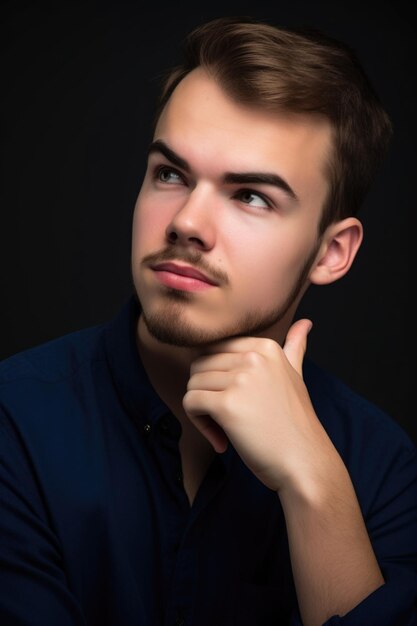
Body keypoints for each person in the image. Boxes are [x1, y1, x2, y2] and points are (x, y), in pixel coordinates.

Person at [0, 15, 416, 626]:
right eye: (170, 174)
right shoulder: (14, 425)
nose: (187, 222)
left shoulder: (382, 469)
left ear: (332, 252)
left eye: (251, 195)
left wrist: (315, 487)